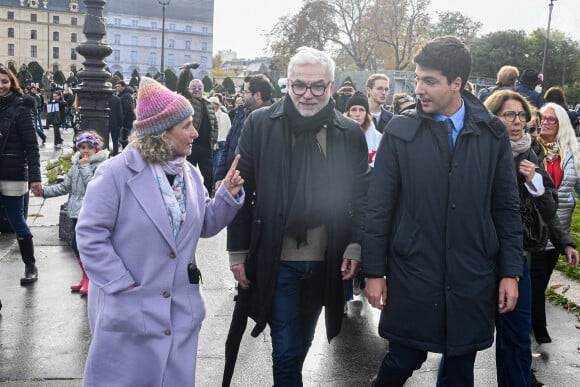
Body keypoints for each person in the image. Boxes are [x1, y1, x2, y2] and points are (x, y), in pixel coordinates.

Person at [363, 36, 522, 387]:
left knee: (459, 370)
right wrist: (374, 271)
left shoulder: (491, 132)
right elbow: (378, 208)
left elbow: (506, 208)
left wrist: (510, 272)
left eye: (429, 81)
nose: (419, 89)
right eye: (418, 79)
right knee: (402, 359)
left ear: (457, 84)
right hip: (412, 271)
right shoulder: (400, 130)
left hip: (472, 273)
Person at [75, 77, 244, 386]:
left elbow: (202, 224)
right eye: (187, 126)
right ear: (163, 132)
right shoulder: (114, 173)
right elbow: (89, 235)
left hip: (178, 311)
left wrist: (227, 197)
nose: (195, 133)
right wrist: (122, 285)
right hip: (129, 306)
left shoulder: (189, 173)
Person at [224, 46, 369, 386]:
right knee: (286, 349)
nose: (307, 94)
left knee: (302, 342)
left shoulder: (348, 133)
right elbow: (240, 192)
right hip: (276, 258)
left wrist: (355, 245)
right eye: (299, 85)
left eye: (317, 86)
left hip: (327, 259)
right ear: (287, 84)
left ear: (331, 88)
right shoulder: (260, 124)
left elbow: (362, 197)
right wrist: (237, 252)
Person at [484, 90, 563, 387]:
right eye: (509, 115)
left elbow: (550, 207)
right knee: (463, 343)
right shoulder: (482, 152)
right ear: (494, 117)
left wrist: (535, 183)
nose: (517, 122)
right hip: (482, 255)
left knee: (517, 338)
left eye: (522, 116)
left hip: (519, 257)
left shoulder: (531, 153)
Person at [31, 131, 109, 296]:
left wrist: (86, 167)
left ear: (96, 148)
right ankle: (85, 277)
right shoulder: (76, 165)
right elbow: (65, 187)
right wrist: (44, 192)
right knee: (76, 245)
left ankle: (90, 279)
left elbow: (92, 186)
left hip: (90, 212)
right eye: (82, 147)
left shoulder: (100, 166)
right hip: (75, 211)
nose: (85, 151)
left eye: (89, 147)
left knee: (80, 245)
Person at [530, 102, 580, 344]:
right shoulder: (531, 147)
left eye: (551, 119)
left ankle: (534, 325)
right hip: (535, 227)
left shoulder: (572, 150)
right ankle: (538, 329)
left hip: (559, 228)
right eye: (542, 118)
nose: (545, 123)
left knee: (543, 278)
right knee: (536, 281)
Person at [0, 64, 41, 285]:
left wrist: (35, 178)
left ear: (12, 82)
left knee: (17, 220)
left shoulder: (21, 107)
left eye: (5, 81)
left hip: (13, 173)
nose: (1, 86)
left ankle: (30, 264)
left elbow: (32, 146)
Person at [214, 74, 272, 191]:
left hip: (256, 188)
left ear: (258, 95)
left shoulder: (273, 120)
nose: (242, 95)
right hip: (231, 182)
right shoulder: (240, 113)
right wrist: (219, 177)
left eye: (245, 92)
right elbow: (228, 146)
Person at [182, 79, 218, 195]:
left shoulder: (209, 104)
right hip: (192, 145)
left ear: (203, 89)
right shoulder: (189, 101)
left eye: (199, 88)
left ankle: (207, 197)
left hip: (206, 146)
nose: (197, 90)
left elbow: (214, 124)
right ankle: (188, 195)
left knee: (208, 175)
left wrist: (213, 141)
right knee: (188, 174)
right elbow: (182, 90)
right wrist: (186, 73)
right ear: (190, 89)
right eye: (194, 88)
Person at [208, 95, 231, 176]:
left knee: (216, 164)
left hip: (219, 142)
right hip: (215, 142)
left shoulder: (223, 116)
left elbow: (229, 129)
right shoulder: (224, 116)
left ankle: (215, 183)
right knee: (214, 165)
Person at [115, 80, 136, 150]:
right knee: (124, 137)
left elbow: (128, 109)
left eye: (119, 87)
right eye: (116, 87)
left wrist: (121, 120)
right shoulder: (123, 95)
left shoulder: (126, 95)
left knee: (124, 137)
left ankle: (126, 151)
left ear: (123, 87)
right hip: (126, 119)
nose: (117, 88)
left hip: (127, 120)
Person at [107, 91, 123, 156]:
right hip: (115, 122)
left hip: (105, 122)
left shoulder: (103, 98)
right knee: (115, 140)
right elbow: (119, 112)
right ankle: (115, 153)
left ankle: (107, 153)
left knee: (105, 139)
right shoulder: (117, 99)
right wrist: (120, 123)